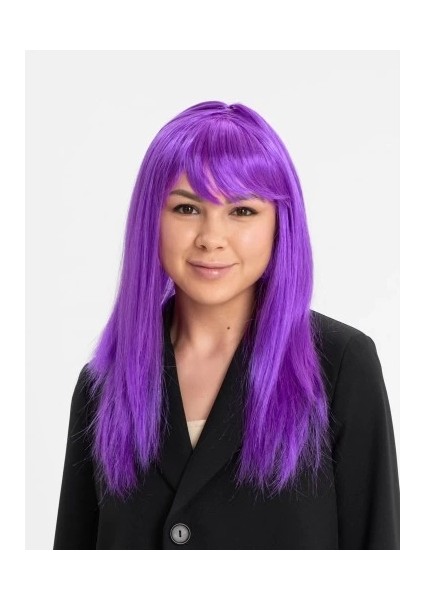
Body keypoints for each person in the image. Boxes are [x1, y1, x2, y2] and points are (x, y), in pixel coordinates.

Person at [53, 100, 400, 550]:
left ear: (279, 225)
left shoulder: (340, 366)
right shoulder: (103, 385)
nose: (211, 238)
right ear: (151, 220)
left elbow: (376, 553)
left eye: (242, 211)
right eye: (186, 209)